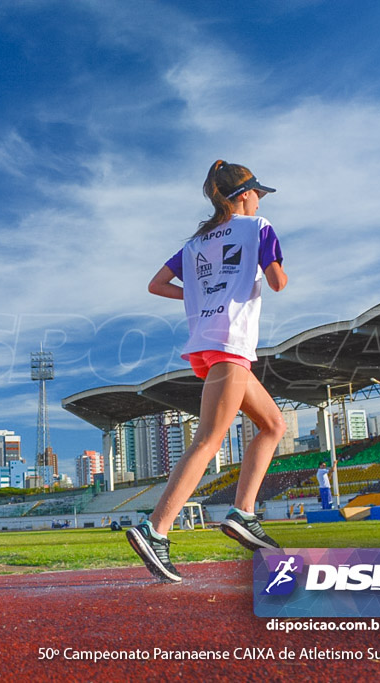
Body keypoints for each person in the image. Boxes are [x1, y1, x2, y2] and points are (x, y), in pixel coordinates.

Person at [125, 160, 289, 583]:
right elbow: (277, 282)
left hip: (208, 339)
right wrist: (274, 270)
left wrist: (198, 296)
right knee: (210, 438)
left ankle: (242, 513)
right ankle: (155, 529)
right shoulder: (258, 227)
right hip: (230, 342)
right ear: (244, 195)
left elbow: (156, 284)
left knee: (272, 424)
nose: (259, 202)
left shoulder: (196, 243)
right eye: (257, 195)